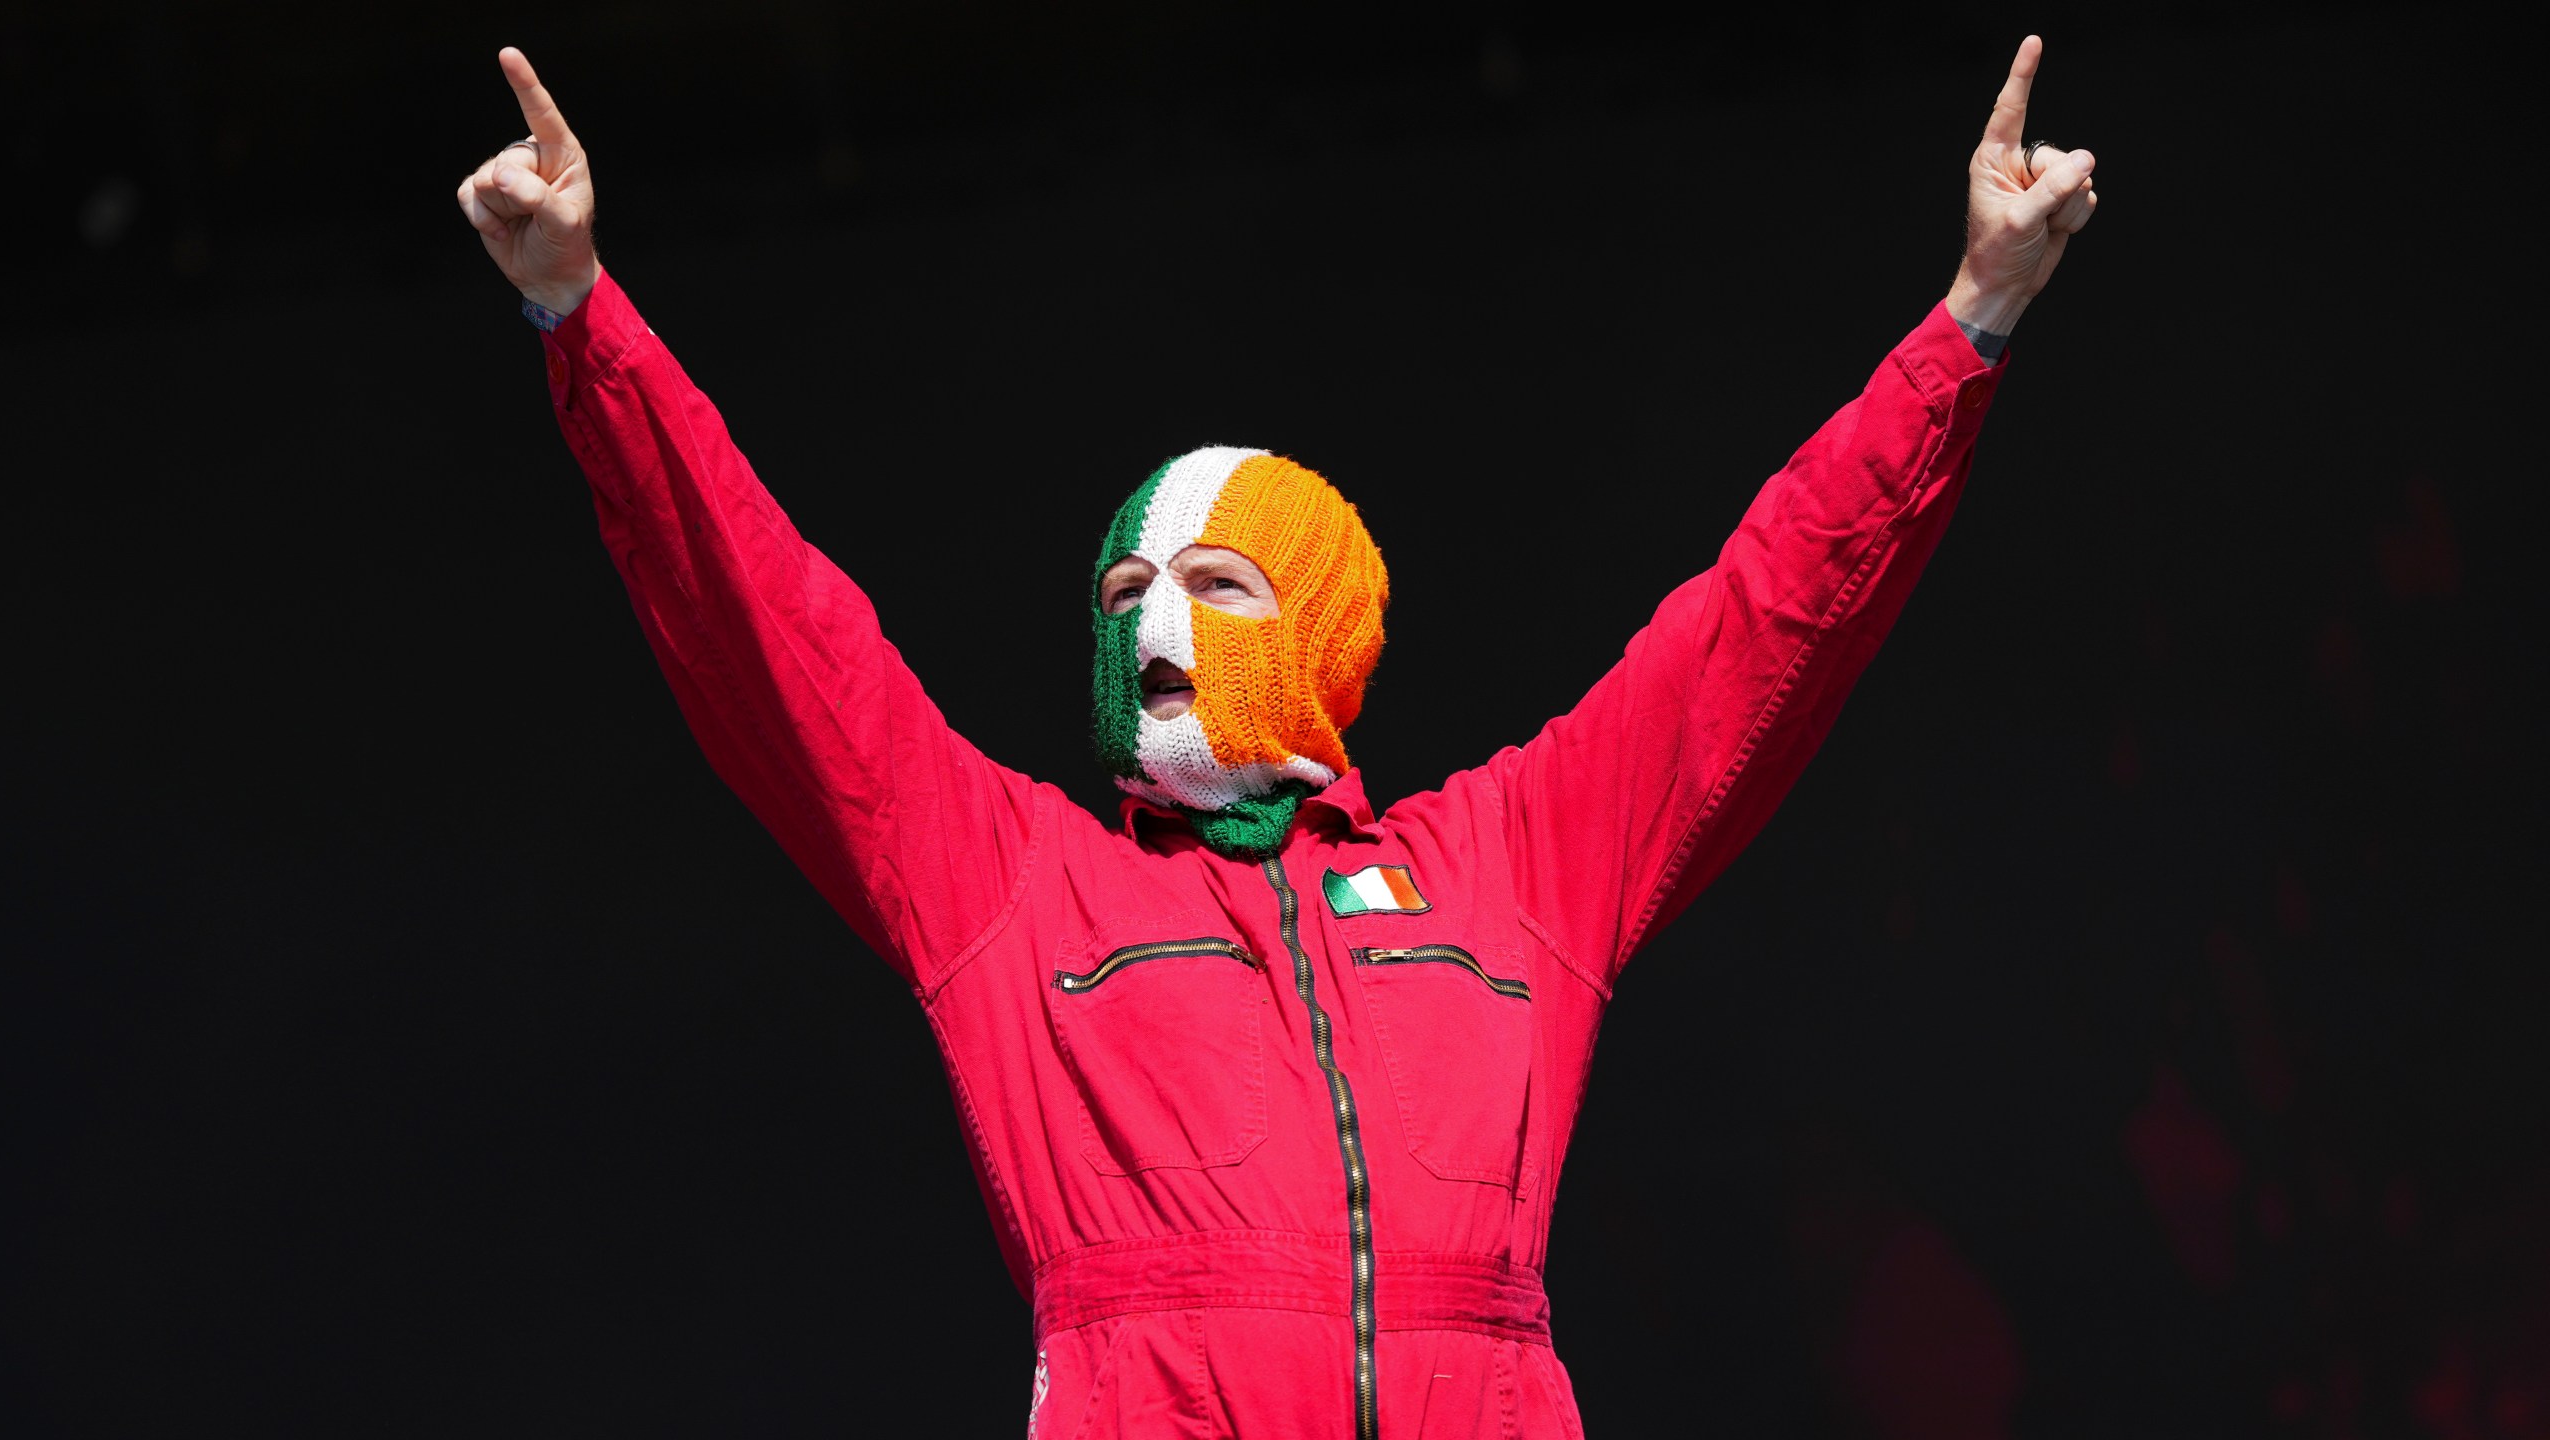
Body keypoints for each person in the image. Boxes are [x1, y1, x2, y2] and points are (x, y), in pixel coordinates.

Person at [453, 35, 2096, 1437]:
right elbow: (773, 632)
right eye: (1124, 592)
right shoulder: (1015, 887)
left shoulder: (1511, 867)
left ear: (1320, 637)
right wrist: (579, 316)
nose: (1153, 626)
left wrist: (1973, 321)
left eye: (1216, 584)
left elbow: (1768, 620)